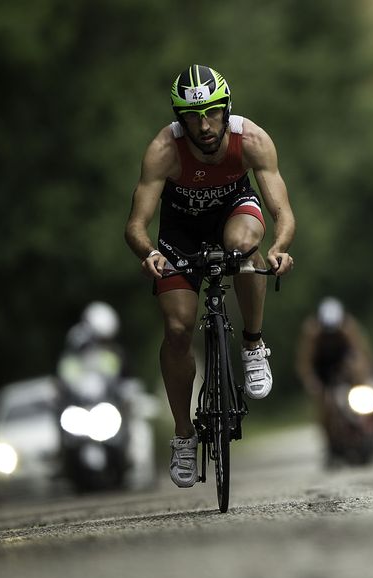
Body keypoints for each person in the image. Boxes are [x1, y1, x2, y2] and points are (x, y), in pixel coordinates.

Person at [125, 65, 296, 487]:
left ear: (226, 110)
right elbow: (135, 224)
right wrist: (148, 253)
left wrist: (279, 249)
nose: (204, 126)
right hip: (179, 234)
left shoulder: (252, 141)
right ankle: (184, 434)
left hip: (234, 214)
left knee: (244, 246)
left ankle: (253, 345)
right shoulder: (163, 150)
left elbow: (282, 212)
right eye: (192, 117)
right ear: (179, 119)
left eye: (213, 114)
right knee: (179, 328)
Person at [295, 297, 373, 461]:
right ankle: (330, 444)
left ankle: (366, 431)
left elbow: (361, 353)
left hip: (344, 367)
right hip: (322, 369)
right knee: (324, 404)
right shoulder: (312, 332)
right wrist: (312, 382)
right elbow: (305, 363)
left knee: (366, 391)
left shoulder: (349, 328)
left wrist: (364, 376)